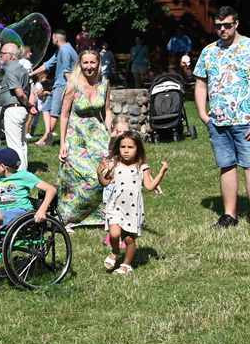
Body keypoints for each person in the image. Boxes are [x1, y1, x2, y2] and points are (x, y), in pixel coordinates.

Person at [193, 5, 250, 228]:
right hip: (218, 122)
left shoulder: (248, 47)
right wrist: (202, 113)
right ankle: (229, 215)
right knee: (226, 166)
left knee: (248, 165)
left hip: (245, 121)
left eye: (227, 25)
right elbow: (200, 83)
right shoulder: (209, 51)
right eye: (219, 26)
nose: (223, 30)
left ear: (236, 24)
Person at [0, 147, 56, 269]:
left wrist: (42, 210)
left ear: (3, 167)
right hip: (0, 214)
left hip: (20, 213)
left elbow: (51, 189)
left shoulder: (24, 176)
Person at [98, 132, 168, 275]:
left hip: (132, 209)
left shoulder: (142, 166)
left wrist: (161, 173)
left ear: (138, 149)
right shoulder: (115, 163)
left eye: (130, 147)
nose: (126, 150)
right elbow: (105, 182)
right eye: (123, 146)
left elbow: (149, 186)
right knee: (114, 234)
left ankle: (126, 265)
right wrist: (100, 174)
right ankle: (115, 251)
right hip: (115, 206)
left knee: (129, 239)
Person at [58, 49, 112, 230]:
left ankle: (105, 216)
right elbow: (64, 115)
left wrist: (111, 132)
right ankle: (69, 217)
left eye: (92, 62)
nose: (89, 67)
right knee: (82, 176)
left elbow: (107, 110)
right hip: (76, 136)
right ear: (80, 65)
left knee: (105, 174)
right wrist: (63, 143)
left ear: (98, 63)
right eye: (85, 63)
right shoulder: (73, 84)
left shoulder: (104, 83)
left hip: (98, 135)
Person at [31, 29, 79, 142]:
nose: (52, 40)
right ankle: (48, 134)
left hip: (63, 85)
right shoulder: (61, 50)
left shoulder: (65, 51)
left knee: (54, 112)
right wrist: (32, 73)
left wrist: (70, 89)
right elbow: (47, 65)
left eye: (52, 38)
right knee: (46, 107)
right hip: (58, 84)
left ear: (56, 38)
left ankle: (46, 139)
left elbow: (67, 71)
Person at [0, 42, 35, 171]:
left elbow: (19, 92)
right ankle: (24, 170)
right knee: (22, 143)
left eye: (2, 54)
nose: (0, 56)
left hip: (13, 109)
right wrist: (28, 106)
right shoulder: (22, 69)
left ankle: (19, 173)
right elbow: (29, 90)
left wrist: (28, 105)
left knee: (14, 145)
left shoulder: (10, 70)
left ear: (11, 56)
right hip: (21, 110)